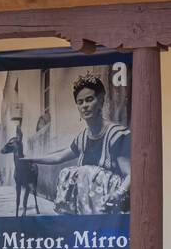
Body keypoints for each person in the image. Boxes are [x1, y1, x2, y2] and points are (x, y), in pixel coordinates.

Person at [28, 73, 130, 214]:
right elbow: (60, 157)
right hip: (86, 201)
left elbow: (131, 174)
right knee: (68, 172)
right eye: (80, 102)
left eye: (89, 100)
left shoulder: (116, 134)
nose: (85, 106)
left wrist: (117, 195)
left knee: (85, 171)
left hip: (111, 200)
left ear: (100, 101)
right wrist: (32, 159)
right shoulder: (82, 137)